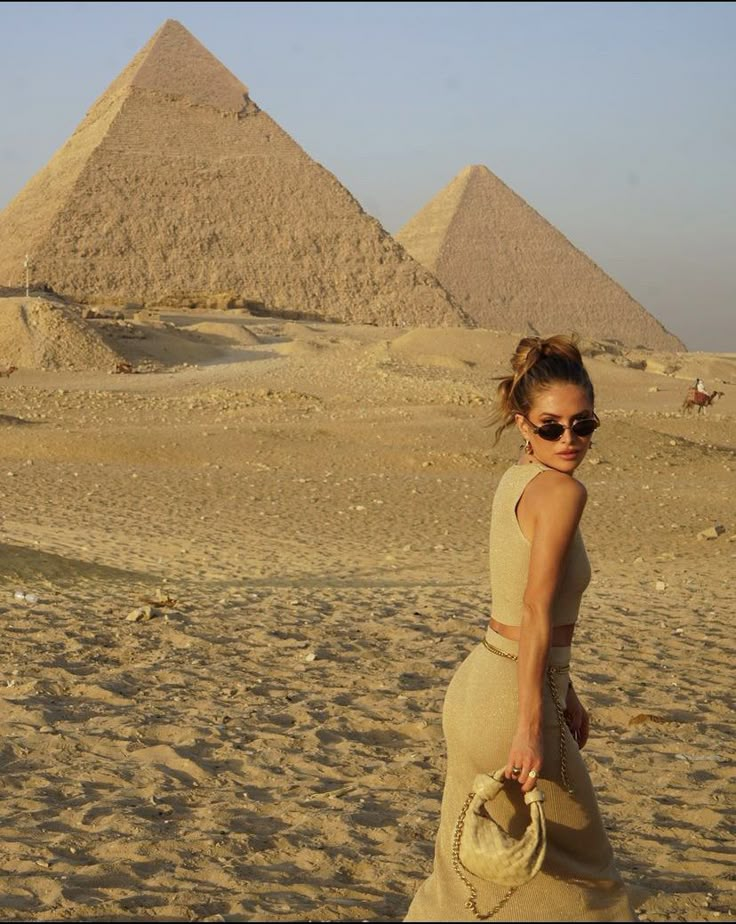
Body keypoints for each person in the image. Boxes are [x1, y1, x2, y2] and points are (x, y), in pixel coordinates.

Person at [404, 335, 635, 922]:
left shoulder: (519, 479)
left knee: (465, 872)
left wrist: (569, 691)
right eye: (551, 426)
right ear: (522, 422)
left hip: (485, 682)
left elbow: (532, 605)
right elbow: (536, 609)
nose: (570, 441)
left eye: (583, 425)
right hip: (513, 700)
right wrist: (533, 724)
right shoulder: (562, 492)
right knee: (590, 877)